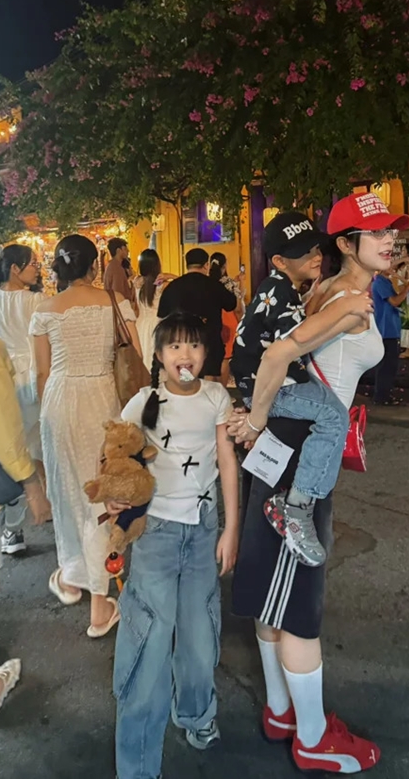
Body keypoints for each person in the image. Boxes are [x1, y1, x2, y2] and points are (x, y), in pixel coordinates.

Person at [228, 190, 409, 774]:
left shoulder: (320, 289)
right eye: (376, 232)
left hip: (288, 449)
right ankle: (311, 739)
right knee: (299, 603)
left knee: (273, 591)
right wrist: (256, 419)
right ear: (346, 244)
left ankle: (281, 711)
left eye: (391, 230)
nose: (390, 240)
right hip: (298, 460)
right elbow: (278, 354)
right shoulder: (347, 300)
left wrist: (259, 420)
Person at [110, 312, 239, 779]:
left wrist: (230, 528)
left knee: (200, 635)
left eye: (195, 346)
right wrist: (115, 499)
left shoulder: (216, 397)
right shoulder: (143, 402)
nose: (186, 355)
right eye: (175, 346)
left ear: (206, 354)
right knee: (148, 644)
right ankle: (138, 766)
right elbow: (115, 458)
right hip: (156, 537)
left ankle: (197, 715)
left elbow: (226, 461)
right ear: (160, 356)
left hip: (203, 533)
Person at [231, 211, 373, 567]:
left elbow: (302, 335)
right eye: (303, 252)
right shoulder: (279, 290)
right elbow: (299, 338)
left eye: (316, 248)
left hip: (264, 382)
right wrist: (346, 306)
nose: (315, 256)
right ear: (280, 261)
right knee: (333, 417)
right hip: (273, 385)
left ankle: (298, 502)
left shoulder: (282, 288)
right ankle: (296, 505)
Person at [31, 234, 142, 637]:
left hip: (59, 403)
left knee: (68, 494)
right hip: (102, 399)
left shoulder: (45, 309)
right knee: (101, 492)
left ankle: (72, 577)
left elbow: (41, 374)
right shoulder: (115, 301)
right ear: (94, 265)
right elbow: (135, 356)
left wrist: (46, 415)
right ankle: (99, 601)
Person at [0, 243, 52, 725]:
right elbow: (1, 434)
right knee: (29, 447)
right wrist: (32, 486)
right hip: (23, 380)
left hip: (10, 375)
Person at [0, 244, 47, 555]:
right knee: (41, 445)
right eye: (32, 264)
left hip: (3, 377)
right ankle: (49, 505)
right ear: (15, 269)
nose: (37, 269)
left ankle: (12, 529)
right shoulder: (37, 301)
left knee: (12, 449)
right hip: (34, 376)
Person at [157, 248, 237, 380]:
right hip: (210, 340)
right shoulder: (214, 285)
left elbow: (162, 314)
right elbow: (231, 304)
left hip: (182, 341)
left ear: (187, 265)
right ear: (206, 265)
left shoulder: (173, 287)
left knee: (184, 378)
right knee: (209, 379)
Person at [371, 261, 409, 405]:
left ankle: (384, 394)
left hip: (391, 328)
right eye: (392, 266)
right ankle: (382, 396)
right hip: (386, 330)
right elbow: (394, 301)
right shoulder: (380, 282)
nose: (394, 269)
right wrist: (406, 289)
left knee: (390, 366)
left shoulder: (386, 282)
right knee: (387, 366)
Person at [133, 249, 176, 372]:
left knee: (143, 360)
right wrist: (170, 276)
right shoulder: (162, 285)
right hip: (158, 324)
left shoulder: (137, 282)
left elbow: (136, 307)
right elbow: (184, 283)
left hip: (140, 325)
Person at [209, 251, 244, 388]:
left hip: (212, 320)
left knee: (212, 357)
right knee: (225, 357)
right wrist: (241, 322)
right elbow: (237, 308)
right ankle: (222, 389)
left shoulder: (206, 282)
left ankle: (211, 390)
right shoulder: (229, 283)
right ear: (224, 267)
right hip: (228, 322)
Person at [104, 238, 136, 309]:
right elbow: (118, 292)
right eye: (125, 249)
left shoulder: (113, 265)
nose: (128, 251)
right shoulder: (116, 268)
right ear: (118, 250)